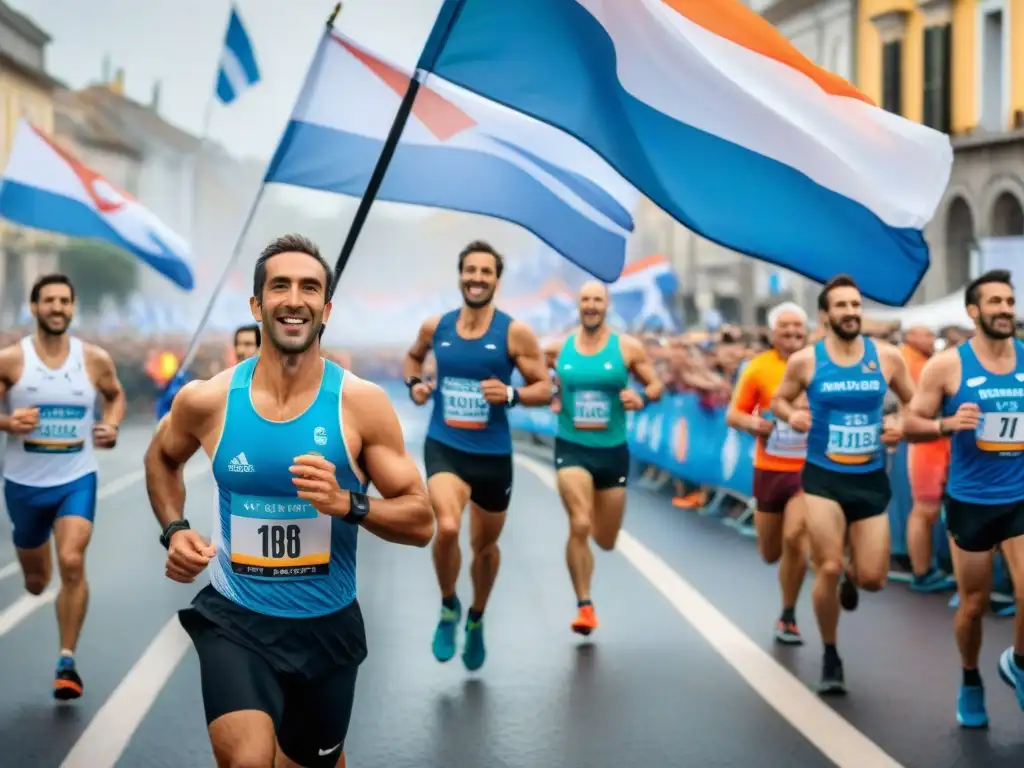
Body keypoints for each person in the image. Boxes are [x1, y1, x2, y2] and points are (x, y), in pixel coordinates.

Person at [144, 234, 433, 768]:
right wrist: (174, 528)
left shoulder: (360, 405)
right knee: (249, 760)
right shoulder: (207, 400)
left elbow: (421, 520)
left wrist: (349, 503)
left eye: (309, 288)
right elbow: (162, 458)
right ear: (257, 305)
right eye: (280, 286)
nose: (294, 299)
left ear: (326, 310)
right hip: (237, 618)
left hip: (326, 626)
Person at [404, 240, 552, 671]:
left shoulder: (514, 332)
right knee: (447, 527)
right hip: (445, 444)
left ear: (496, 280)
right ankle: (449, 605)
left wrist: (512, 393)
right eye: (471, 270)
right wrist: (416, 384)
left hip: (492, 454)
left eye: (486, 272)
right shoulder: (438, 327)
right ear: (460, 275)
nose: (477, 278)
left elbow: (545, 386)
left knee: (484, 547)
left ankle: (476, 617)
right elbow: (413, 357)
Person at [771, 274, 914, 695]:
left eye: (856, 306)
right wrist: (791, 415)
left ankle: (854, 572)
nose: (851, 312)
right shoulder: (806, 361)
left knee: (873, 579)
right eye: (842, 306)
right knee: (827, 566)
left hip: (870, 479)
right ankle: (831, 655)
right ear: (826, 315)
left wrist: (899, 424)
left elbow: (916, 401)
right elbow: (780, 399)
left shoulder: (887, 357)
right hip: (823, 478)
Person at [902, 269, 1024, 729]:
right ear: (974, 311)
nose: (1005, 309)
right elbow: (910, 422)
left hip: (1019, 496)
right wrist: (946, 426)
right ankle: (971, 678)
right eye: (995, 302)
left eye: (1009, 301)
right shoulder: (948, 365)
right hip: (972, 501)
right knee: (973, 604)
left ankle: (1020, 665)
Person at [0, 273, 125, 700]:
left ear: (72, 308)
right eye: (49, 300)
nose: (58, 308)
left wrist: (110, 424)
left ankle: (67, 661)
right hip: (24, 485)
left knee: (72, 559)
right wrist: (7, 421)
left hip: (76, 478)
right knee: (37, 581)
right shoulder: (12, 360)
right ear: (34, 308)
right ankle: (39, 574)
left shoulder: (93, 359)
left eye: (65, 301)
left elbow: (115, 394)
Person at [547, 281, 662, 635]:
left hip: (612, 451)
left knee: (606, 540)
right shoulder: (557, 348)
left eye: (598, 299)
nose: (591, 305)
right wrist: (549, 391)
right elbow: (534, 378)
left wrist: (641, 398)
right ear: (578, 306)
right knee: (580, 522)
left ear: (607, 305)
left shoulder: (627, 348)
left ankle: (595, 532)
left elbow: (656, 385)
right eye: (585, 299)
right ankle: (584, 605)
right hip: (572, 447)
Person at [727, 301, 810, 644]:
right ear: (772, 333)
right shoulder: (758, 368)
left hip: (808, 471)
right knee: (771, 552)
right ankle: (787, 601)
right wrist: (755, 424)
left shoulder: (820, 364)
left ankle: (788, 614)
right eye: (784, 328)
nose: (791, 333)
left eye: (797, 328)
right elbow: (734, 414)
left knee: (796, 538)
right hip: (770, 469)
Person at [900, 325, 955, 593]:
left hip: (940, 443)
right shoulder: (910, 361)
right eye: (928, 335)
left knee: (935, 510)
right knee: (925, 509)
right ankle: (921, 572)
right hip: (926, 445)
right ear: (910, 335)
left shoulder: (924, 361)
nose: (933, 340)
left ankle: (927, 569)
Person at [155, 325, 262, 421]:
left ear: (260, 348)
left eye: (248, 344)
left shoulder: (267, 383)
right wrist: (175, 400)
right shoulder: (223, 383)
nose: (240, 350)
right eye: (237, 344)